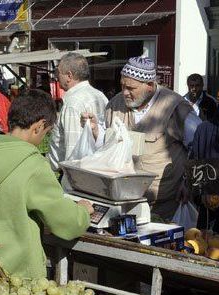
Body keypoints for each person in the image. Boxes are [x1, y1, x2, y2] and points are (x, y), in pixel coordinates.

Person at [0, 90, 93, 278]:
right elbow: (67, 223)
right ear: (39, 126)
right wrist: (83, 211)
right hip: (19, 277)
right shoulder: (33, 165)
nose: (44, 137)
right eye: (47, 132)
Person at [86, 56, 202, 220]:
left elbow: (200, 144)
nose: (125, 92)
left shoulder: (175, 107)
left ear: (149, 85)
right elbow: (106, 146)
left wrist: (189, 183)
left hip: (164, 205)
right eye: (122, 86)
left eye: (131, 88)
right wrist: (96, 131)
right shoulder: (114, 105)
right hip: (122, 203)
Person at [48, 52, 108, 171]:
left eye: (58, 73)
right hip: (97, 168)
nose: (56, 77)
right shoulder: (100, 96)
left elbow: (73, 151)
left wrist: (71, 181)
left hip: (78, 175)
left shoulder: (73, 103)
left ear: (69, 76)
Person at [190, 101, 219, 235]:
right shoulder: (204, 129)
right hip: (209, 223)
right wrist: (203, 194)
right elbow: (196, 177)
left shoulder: (204, 129)